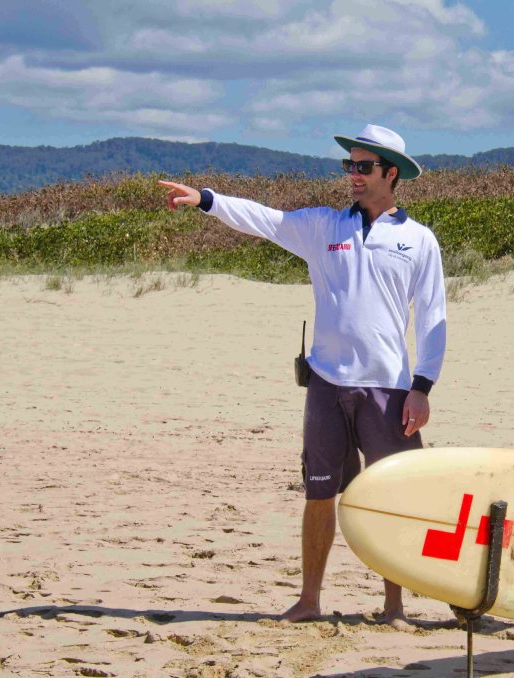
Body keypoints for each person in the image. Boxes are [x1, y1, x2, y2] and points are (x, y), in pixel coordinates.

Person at [159, 124, 446, 627]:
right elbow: (264, 220)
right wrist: (206, 198)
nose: (353, 175)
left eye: (363, 167)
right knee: (319, 493)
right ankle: (309, 600)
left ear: (391, 173)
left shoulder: (419, 240)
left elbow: (433, 316)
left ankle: (394, 606)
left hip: (388, 388)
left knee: (391, 496)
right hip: (326, 384)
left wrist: (421, 387)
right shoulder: (323, 226)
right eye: (349, 166)